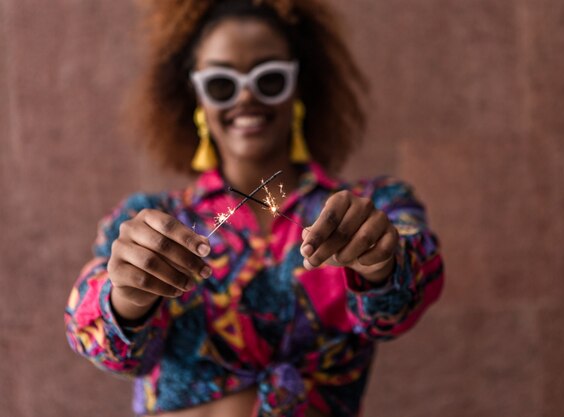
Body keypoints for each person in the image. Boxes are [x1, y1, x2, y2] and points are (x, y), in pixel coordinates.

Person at [64, 1, 444, 416]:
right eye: (221, 84)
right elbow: (104, 345)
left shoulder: (372, 209)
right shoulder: (152, 220)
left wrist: (381, 264)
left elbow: (407, 293)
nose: (246, 96)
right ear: (196, 97)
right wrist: (127, 297)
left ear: (299, 86)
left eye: (270, 78)